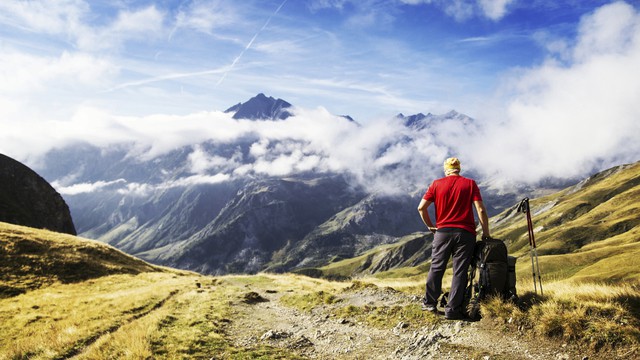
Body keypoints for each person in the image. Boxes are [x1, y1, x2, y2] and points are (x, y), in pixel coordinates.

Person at [417, 157, 490, 320]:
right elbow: (481, 210)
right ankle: (452, 310)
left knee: (436, 267)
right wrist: (486, 232)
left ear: (446, 170)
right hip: (465, 234)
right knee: (460, 271)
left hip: (442, 232)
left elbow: (421, 208)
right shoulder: (470, 184)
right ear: (459, 169)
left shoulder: (436, 184)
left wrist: (431, 226)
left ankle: (429, 303)